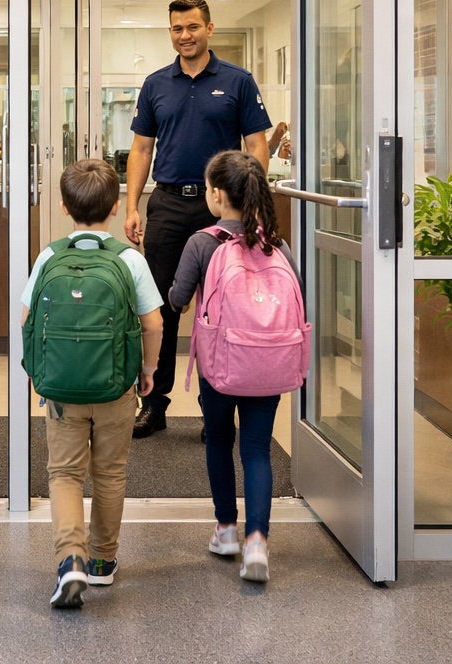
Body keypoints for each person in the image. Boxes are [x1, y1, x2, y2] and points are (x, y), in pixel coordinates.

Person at [124, 0, 272, 439]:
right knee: (161, 307)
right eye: (177, 28)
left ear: (209, 28)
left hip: (222, 209)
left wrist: (249, 203)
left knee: (221, 308)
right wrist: (132, 205)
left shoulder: (237, 80)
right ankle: (154, 404)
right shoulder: (155, 84)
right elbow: (141, 149)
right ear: (170, 32)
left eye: (192, 27)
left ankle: (216, 408)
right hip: (168, 203)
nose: (184, 35)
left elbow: (256, 145)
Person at [19, 158, 164, 609]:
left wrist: (39, 371)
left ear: (64, 207)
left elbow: (26, 320)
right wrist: (148, 371)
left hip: (61, 390)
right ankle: (102, 561)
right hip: (116, 387)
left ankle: (71, 559)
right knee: (109, 471)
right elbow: (153, 324)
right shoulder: (130, 259)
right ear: (116, 206)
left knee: (64, 473)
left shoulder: (49, 256)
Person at [167, 150, 302, 584]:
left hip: (221, 367)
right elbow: (297, 296)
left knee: (220, 441)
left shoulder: (202, 243)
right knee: (257, 449)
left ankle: (226, 529)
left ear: (217, 195)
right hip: (268, 363)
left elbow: (177, 299)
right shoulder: (277, 244)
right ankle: (257, 542)